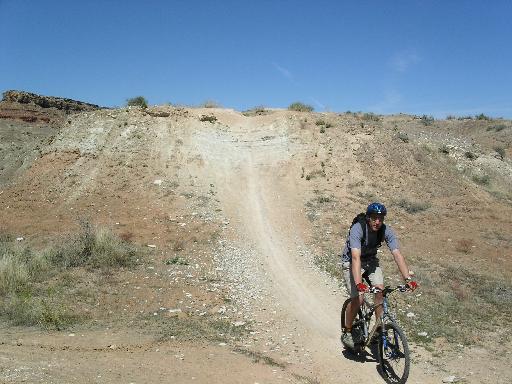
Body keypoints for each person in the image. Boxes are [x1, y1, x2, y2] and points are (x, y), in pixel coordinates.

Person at [340, 202, 418, 350]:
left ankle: (377, 330)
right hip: (351, 262)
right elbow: (355, 258)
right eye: (374, 218)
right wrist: (359, 284)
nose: (377, 222)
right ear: (368, 217)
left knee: (380, 292)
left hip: (370, 262)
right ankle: (348, 331)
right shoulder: (358, 229)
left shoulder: (385, 231)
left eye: (381, 219)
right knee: (359, 298)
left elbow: (397, 254)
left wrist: (408, 279)